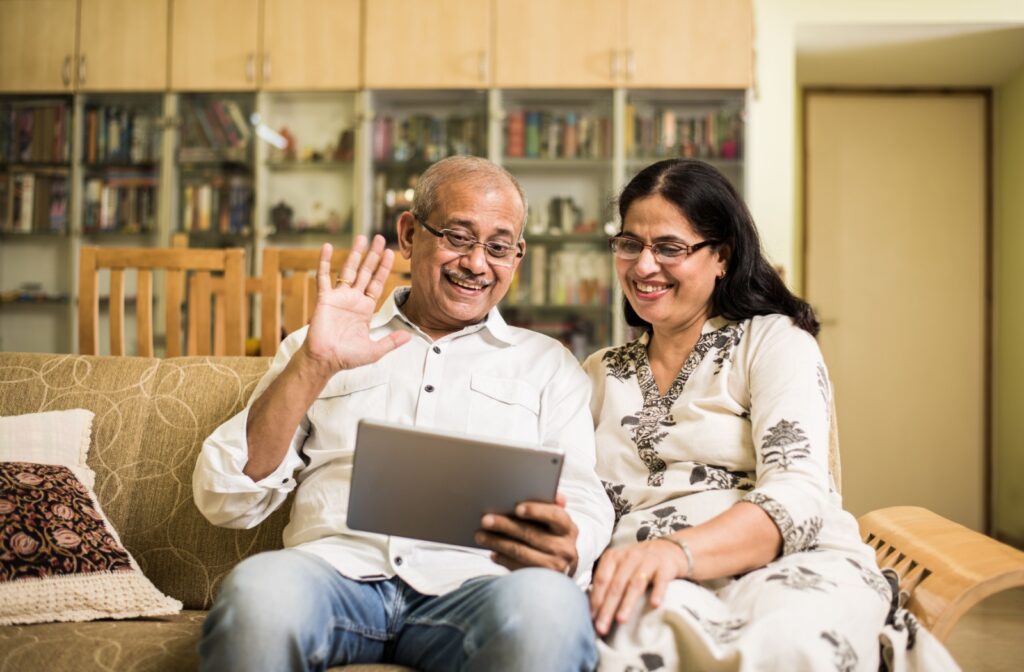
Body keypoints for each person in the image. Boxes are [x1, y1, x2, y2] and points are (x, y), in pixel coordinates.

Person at [193, 156, 614, 672]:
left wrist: (568, 544)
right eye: (459, 238)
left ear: (517, 256)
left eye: (499, 247)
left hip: (480, 588)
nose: (477, 263)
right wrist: (313, 366)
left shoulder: (549, 365)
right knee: (258, 594)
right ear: (410, 234)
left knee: (551, 609)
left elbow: (586, 500)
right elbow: (224, 498)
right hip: (335, 575)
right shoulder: (321, 345)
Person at [583, 159, 958, 671]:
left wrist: (675, 552)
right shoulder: (599, 374)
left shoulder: (771, 342)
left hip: (788, 562)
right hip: (646, 576)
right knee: (617, 641)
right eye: (630, 244)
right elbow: (576, 500)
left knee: (789, 641)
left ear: (722, 257)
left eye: (669, 247)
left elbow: (799, 493)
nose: (644, 266)